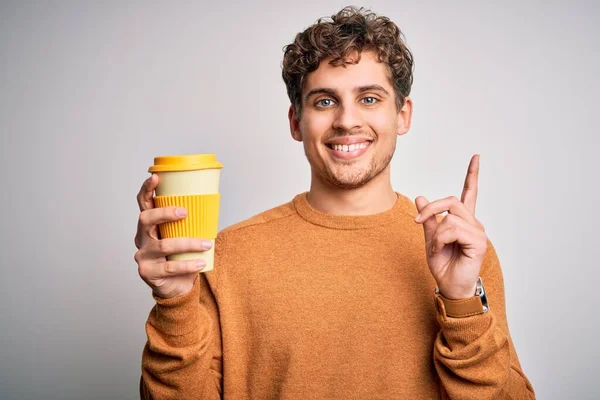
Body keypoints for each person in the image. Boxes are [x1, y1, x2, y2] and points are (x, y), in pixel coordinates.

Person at [134, 6, 536, 399]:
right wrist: (174, 303)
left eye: (370, 99)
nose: (346, 120)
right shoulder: (229, 255)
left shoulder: (460, 253)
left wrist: (462, 303)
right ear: (296, 122)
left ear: (403, 115)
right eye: (325, 101)